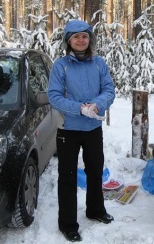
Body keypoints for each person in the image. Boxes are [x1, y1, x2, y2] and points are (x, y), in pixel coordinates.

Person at [47, 19, 116, 242]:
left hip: (93, 127)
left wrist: (97, 105)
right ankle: (68, 224)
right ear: (69, 40)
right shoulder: (61, 65)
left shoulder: (99, 64)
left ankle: (95, 210)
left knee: (95, 171)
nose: (80, 40)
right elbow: (54, 96)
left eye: (84, 36)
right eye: (75, 37)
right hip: (68, 129)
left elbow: (109, 90)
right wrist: (79, 109)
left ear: (90, 39)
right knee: (67, 177)